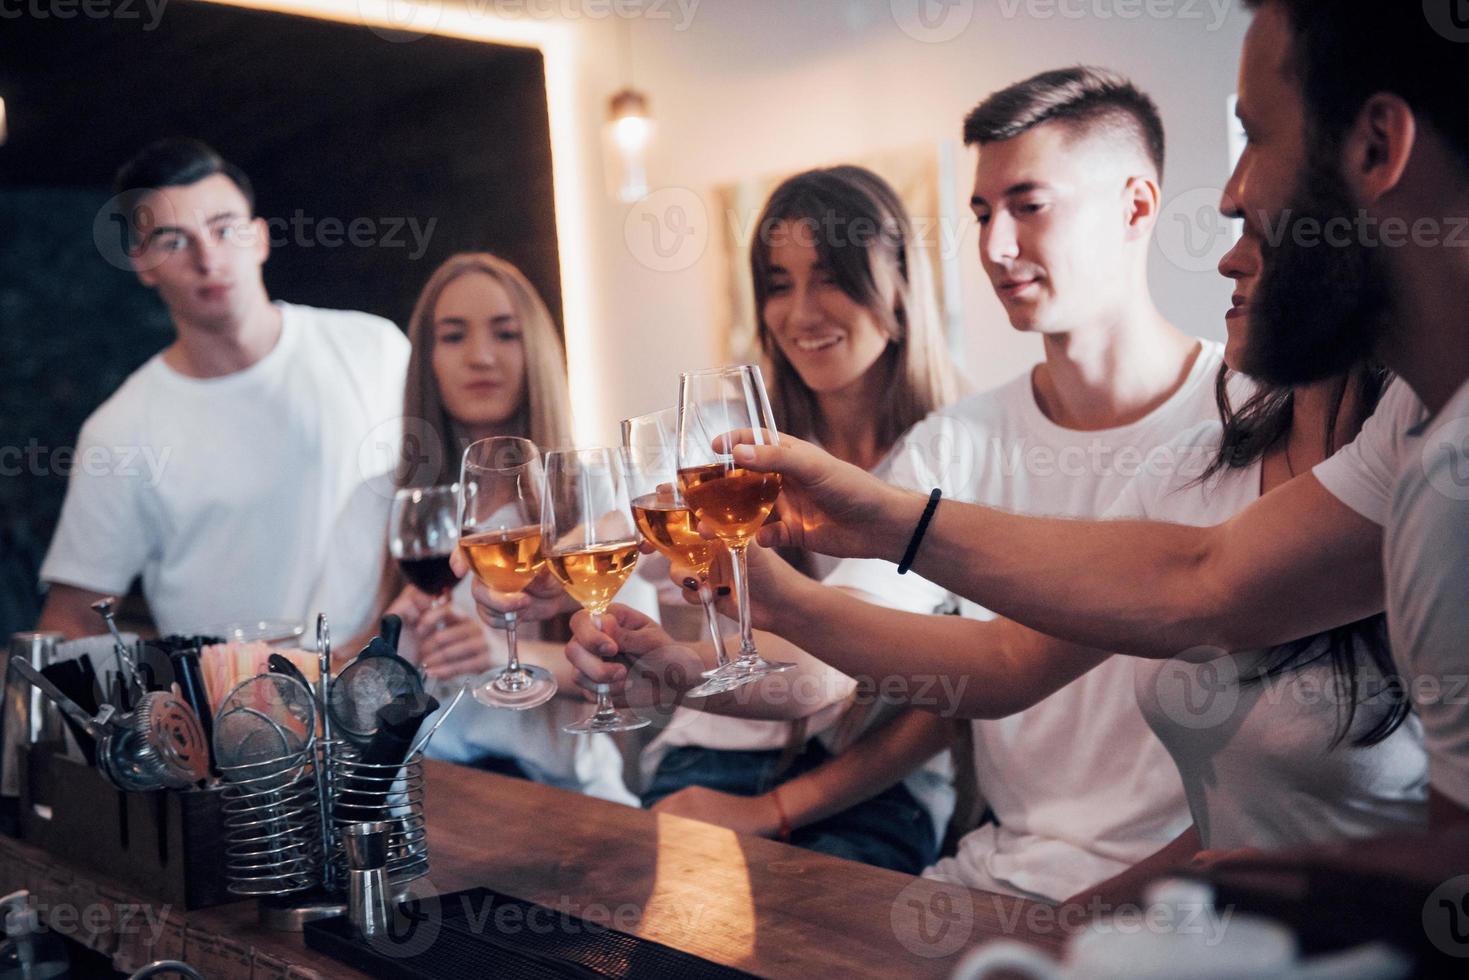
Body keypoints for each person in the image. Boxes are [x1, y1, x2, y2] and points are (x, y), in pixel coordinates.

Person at [669, 2, 1469, 829]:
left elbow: (1202, 588)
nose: (1230, 202)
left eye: (1253, 136)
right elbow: (1016, 655)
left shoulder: (1374, 438)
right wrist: (775, 597)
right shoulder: (1227, 460)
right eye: (981, 213)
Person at [573, 68, 1225, 902]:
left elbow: (1286, 795)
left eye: (1027, 205)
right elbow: (828, 666)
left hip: (1184, 906)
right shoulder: (952, 443)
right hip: (990, 878)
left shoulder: (1247, 418)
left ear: (1137, 206)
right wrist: (678, 667)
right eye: (982, 214)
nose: (992, 247)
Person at [478, 165, 961, 873]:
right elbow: (632, 517)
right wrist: (556, 572)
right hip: (710, 756)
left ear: (900, 285)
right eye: (778, 284)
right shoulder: (726, 427)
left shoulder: (951, 448)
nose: (801, 313)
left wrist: (762, 808)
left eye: (829, 277)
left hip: (866, 789)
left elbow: (837, 661)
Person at [36, 138, 409, 638]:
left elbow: (446, 505)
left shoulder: (374, 348)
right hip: (233, 706)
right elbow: (74, 619)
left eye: (225, 229)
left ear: (259, 238)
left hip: (403, 690)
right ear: (141, 261)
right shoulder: (120, 430)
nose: (208, 259)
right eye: (173, 240)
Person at [312, 252, 641, 803]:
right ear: (428, 359)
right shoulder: (376, 503)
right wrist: (391, 645)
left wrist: (511, 660)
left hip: (572, 796)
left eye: (506, 334)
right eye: (454, 336)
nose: (481, 356)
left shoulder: (590, 492)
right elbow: (327, 685)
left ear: (534, 349)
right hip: (425, 795)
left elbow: (635, 675)